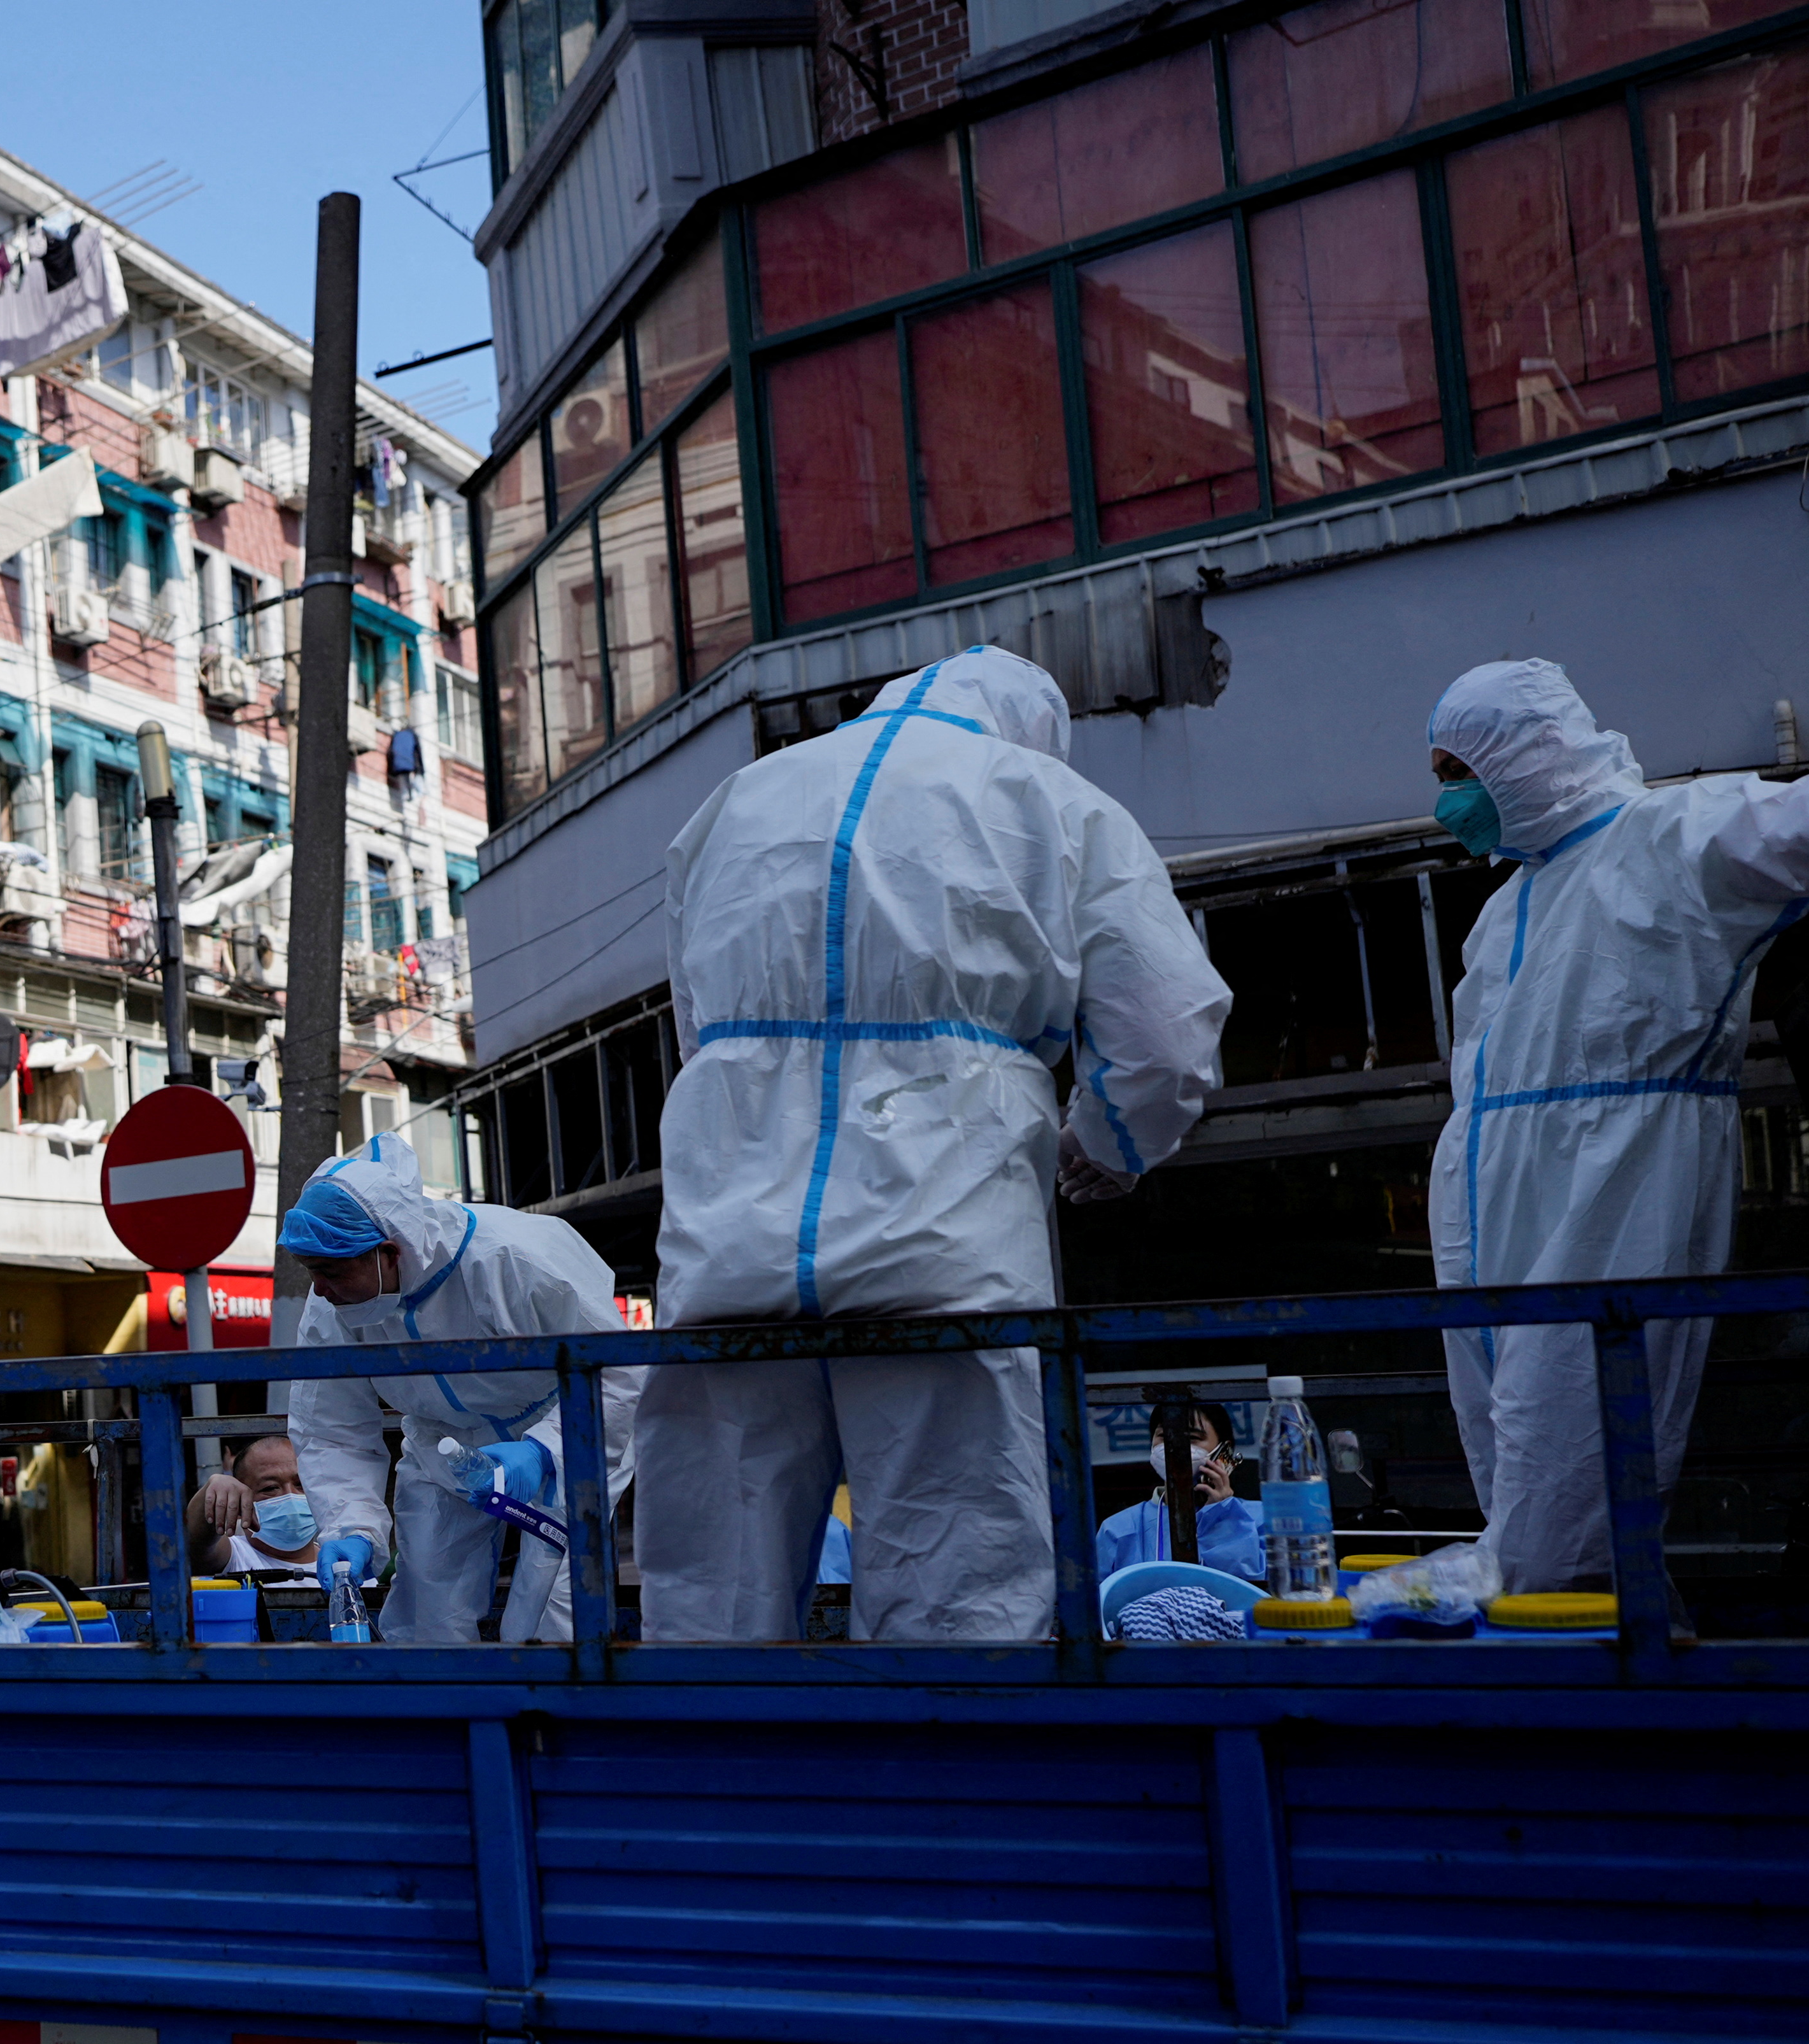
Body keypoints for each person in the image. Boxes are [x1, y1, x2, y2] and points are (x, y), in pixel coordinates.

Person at [635, 646, 1231, 1643]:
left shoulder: (738, 800)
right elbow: (1166, 1033)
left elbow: (698, 1030)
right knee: (960, 1570)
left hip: (729, 1240)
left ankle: (716, 1781)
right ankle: (959, 1778)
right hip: (946, 1243)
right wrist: (1109, 1142)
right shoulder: (1053, 803)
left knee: (713, 1573)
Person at [1426, 659, 1809, 1593]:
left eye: (1457, 770)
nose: (1445, 802)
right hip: (1489, 1203)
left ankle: (1593, 1679)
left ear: (1531, 757)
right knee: (1516, 1479)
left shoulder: (1671, 837)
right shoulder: (1506, 906)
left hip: (1612, 1183)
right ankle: (1603, 1653)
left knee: (1574, 1476)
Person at [278, 1137, 637, 1644]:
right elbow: (332, 1428)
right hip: (442, 1446)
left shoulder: (515, 1258)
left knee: (556, 1622)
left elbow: (617, 1371)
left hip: (565, 1430)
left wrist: (544, 1451)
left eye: (330, 1271)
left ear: (390, 1252)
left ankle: (552, 1722)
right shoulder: (336, 1306)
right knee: (427, 1622)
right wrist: (351, 1525)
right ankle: (447, 1723)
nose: (319, 1289)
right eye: (311, 1270)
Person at [1093, 1400, 1263, 1580]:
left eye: (1192, 1438)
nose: (1175, 1447)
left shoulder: (1259, 1518)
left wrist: (1222, 1515)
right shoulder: (1116, 1529)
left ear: (1224, 1451)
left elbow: (1250, 1588)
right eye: (1163, 1437)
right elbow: (1100, 1600)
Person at [183, 1435, 322, 1575]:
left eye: (301, 1484)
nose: (290, 1495)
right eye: (270, 1488)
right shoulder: (236, 1558)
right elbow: (194, 1545)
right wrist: (213, 1487)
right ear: (240, 1501)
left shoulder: (338, 1560)